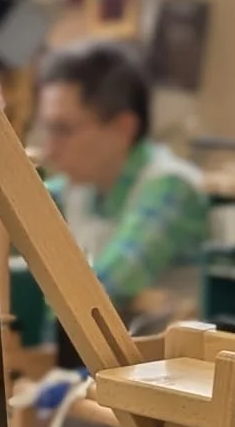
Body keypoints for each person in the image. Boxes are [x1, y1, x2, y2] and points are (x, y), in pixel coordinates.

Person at [34, 41, 209, 330]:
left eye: (63, 130)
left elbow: (104, 287)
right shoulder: (80, 185)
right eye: (47, 129)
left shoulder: (171, 189)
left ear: (123, 127)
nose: (49, 150)